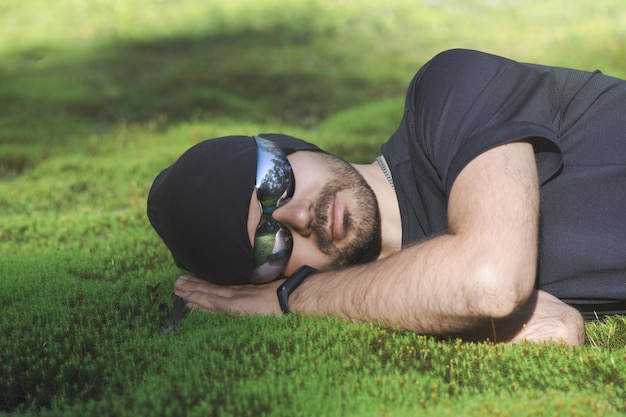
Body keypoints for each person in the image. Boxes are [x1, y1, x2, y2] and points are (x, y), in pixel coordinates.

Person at [147, 49, 626, 346]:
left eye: (274, 180)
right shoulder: (411, 306)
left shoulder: (449, 90)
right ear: (262, 279)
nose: (296, 215)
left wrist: (296, 297)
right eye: (266, 243)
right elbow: (551, 329)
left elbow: (489, 282)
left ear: (292, 146)